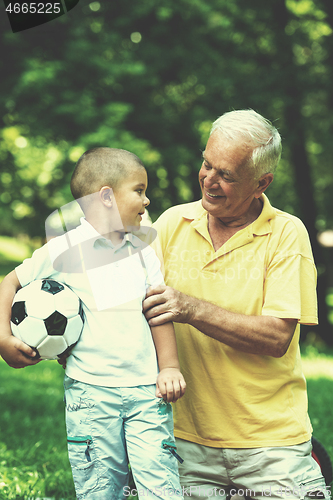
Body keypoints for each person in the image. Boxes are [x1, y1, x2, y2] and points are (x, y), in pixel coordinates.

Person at [143, 110, 330, 500]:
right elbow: (128, 307)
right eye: (206, 164)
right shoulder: (170, 224)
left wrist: (191, 309)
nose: (209, 180)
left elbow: (277, 337)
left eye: (226, 174)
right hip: (181, 439)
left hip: (270, 444)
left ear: (262, 182)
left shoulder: (286, 234)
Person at [0, 147, 186, 500]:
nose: (147, 201)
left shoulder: (144, 251)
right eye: (139, 190)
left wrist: (169, 367)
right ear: (106, 197)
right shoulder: (62, 250)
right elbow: (9, 283)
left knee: (162, 487)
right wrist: (3, 339)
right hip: (90, 393)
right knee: (99, 489)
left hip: (148, 393)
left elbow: (158, 310)